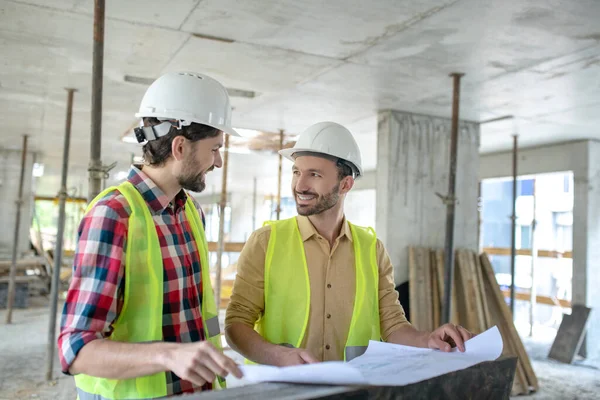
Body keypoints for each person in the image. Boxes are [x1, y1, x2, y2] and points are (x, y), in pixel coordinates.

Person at [225, 121, 474, 366]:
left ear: (345, 184)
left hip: (351, 390)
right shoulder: (266, 242)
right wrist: (277, 356)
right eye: (297, 172)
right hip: (280, 392)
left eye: (315, 174)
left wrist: (426, 339)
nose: (300, 185)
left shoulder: (371, 249)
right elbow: (236, 323)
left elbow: (393, 324)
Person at [58, 71, 243, 399]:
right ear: (181, 147)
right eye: (214, 148)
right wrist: (168, 354)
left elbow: (196, 314)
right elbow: (76, 349)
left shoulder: (190, 212)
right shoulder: (114, 215)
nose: (218, 162)